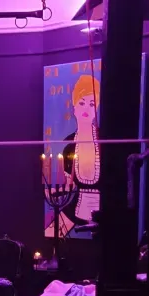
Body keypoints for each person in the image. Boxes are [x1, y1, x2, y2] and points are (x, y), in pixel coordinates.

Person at [62, 73, 101, 231]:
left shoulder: (104, 141)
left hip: (104, 213)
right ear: (74, 108)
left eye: (91, 104)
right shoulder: (69, 146)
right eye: (82, 102)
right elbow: (67, 185)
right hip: (75, 212)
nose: (86, 108)